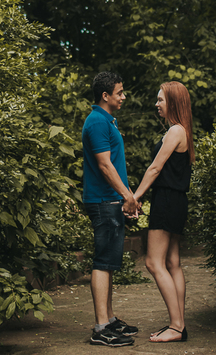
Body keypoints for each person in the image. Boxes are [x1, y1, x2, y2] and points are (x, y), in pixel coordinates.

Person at [132, 81, 195, 343]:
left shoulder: (174, 131)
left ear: (174, 102)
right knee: (172, 263)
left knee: (153, 262)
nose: (156, 104)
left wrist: (134, 197)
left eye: (161, 99)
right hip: (176, 200)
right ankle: (179, 325)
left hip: (167, 200)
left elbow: (155, 169)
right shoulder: (182, 131)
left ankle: (176, 326)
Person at [82, 71, 141, 347]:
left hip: (111, 200)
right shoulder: (96, 121)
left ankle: (109, 318)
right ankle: (101, 328)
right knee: (103, 262)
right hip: (103, 200)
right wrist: (127, 196)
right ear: (105, 95)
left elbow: (112, 164)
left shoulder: (107, 120)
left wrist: (127, 198)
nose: (123, 96)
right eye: (119, 92)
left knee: (109, 263)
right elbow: (105, 165)